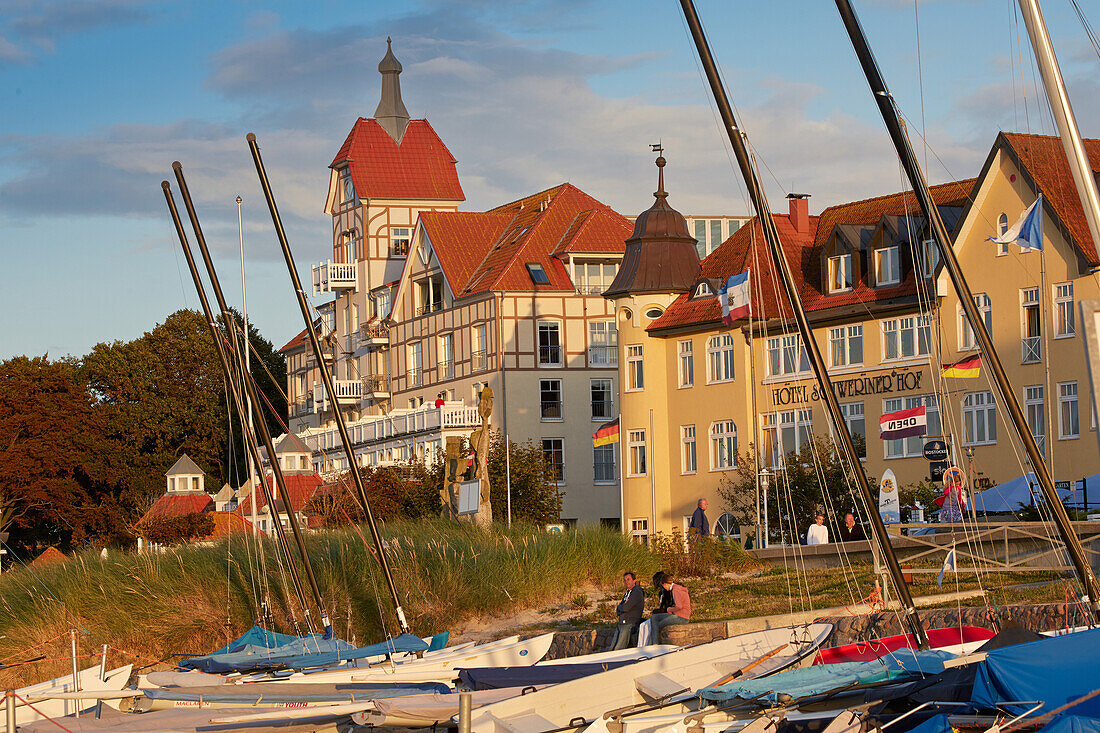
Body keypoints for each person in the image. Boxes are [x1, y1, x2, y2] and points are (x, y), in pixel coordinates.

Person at [645, 572, 690, 643]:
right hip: (677, 614)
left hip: (681, 617)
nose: (664, 588)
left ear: (665, 584)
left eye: (663, 586)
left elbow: (679, 606)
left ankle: (654, 645)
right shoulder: (675, 589)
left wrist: (668, 609)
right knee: (654, 618)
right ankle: (652, 644)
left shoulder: (675, 590)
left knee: (657, 625)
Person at [636, 572, 673, 646]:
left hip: (666, 614)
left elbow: (668, 607)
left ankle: (647, 646)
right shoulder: (661, 592)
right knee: (642, 625)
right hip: (661, 613)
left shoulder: (668, 592)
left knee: (647, 626)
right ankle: (640, 647)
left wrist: (657, 611)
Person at [611, 572, 645, 650]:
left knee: (618, 648)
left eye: (628, 579)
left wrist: (621, 607)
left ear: (634, 580)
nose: (626, 582)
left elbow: (625, 607)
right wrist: (620, 607)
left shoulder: (636, 592)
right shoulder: (628, 593)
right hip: (622, 622)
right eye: (625, 580)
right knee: (612, 648)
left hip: (629, 622)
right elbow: (619, 609)